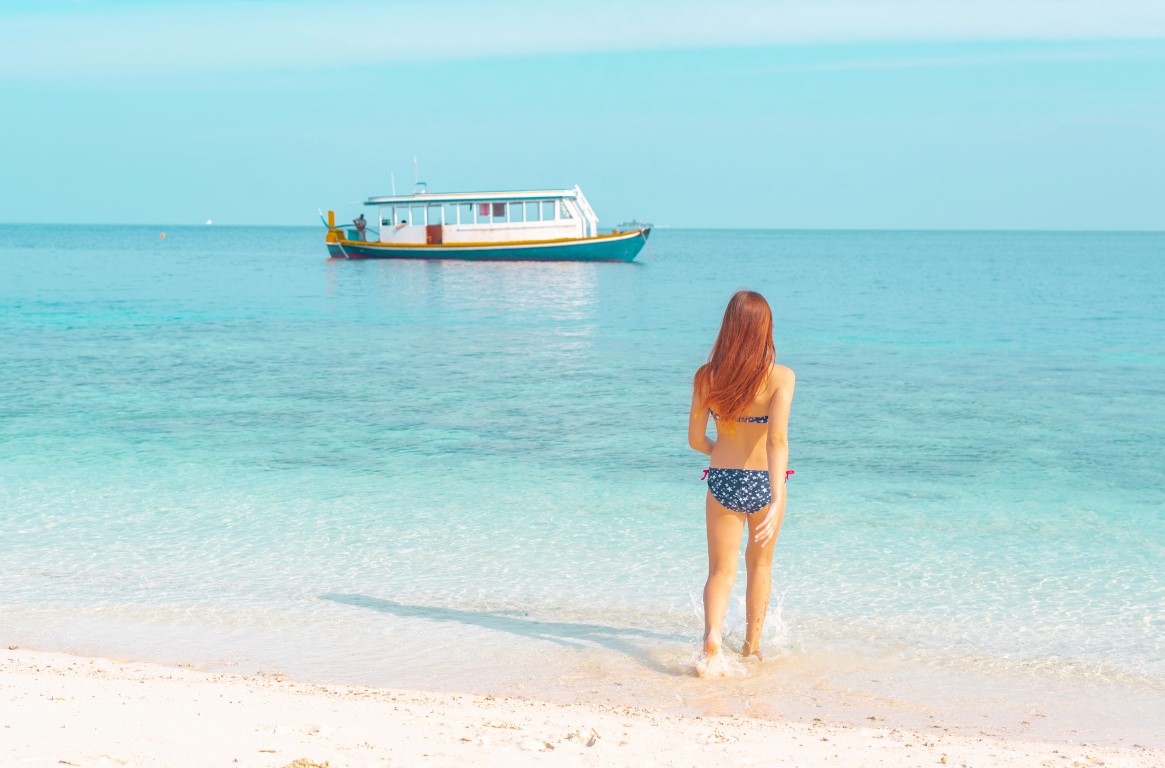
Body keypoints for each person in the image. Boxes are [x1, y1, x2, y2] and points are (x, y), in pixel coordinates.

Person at [688, 290, 795, 662]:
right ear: (765, 330)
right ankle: (752, 648)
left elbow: (694, 439)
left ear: (729, 328)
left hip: (722, 479)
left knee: (720, 570)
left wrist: (718, 452)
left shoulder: (706, 377)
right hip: (766, 482)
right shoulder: (781, 378)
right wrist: (777, 496)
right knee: (760, 565)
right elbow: (777, 440)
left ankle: (712, 638)